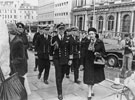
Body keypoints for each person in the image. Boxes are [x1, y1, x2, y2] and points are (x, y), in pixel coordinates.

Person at [50, 23, 72, 100]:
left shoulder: (68, 38)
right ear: (57, 30)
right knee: (58, 76)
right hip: (57, 59)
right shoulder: (54, 38)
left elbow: (70, 49)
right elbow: (51, 50)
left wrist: (70, 59)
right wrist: (51, 60)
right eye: (60, 29)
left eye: (62, 29)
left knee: (62, 75)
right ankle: (60, 93)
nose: (61, 30)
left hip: (65, 59)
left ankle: (59, 83)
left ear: (64, 30)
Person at [83, 27, 106, 100]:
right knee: (89, 77)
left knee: (93, 78)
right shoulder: (87, 42)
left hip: (96, 63)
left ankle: (91, 89)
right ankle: (89, 92)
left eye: (92, 34)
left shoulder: (100, 42)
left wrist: (98, 53)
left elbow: (104, 52)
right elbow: (84, 53)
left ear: (95, 34)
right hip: (88, 62)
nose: (91, 35)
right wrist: (82, 63)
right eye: (89, 34)